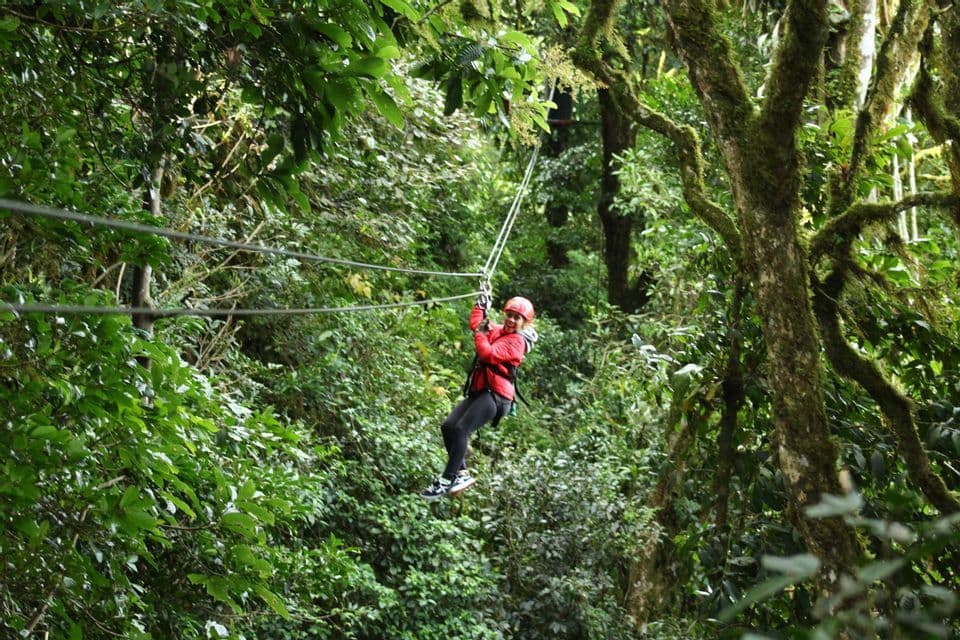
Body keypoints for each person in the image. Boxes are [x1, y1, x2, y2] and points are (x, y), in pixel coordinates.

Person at [420, 292, 537, 500]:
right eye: (509, 315)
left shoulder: (517, 342)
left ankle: (447, 479)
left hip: (497, 396)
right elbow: (478, 324)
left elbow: (488, 353)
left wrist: (481, 334)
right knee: (448, 426)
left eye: (516, 318)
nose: (511, 320)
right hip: (482, 391)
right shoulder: (499, 331)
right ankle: (461, 473)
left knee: (461, 428)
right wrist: (480, 304)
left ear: (524, 323)